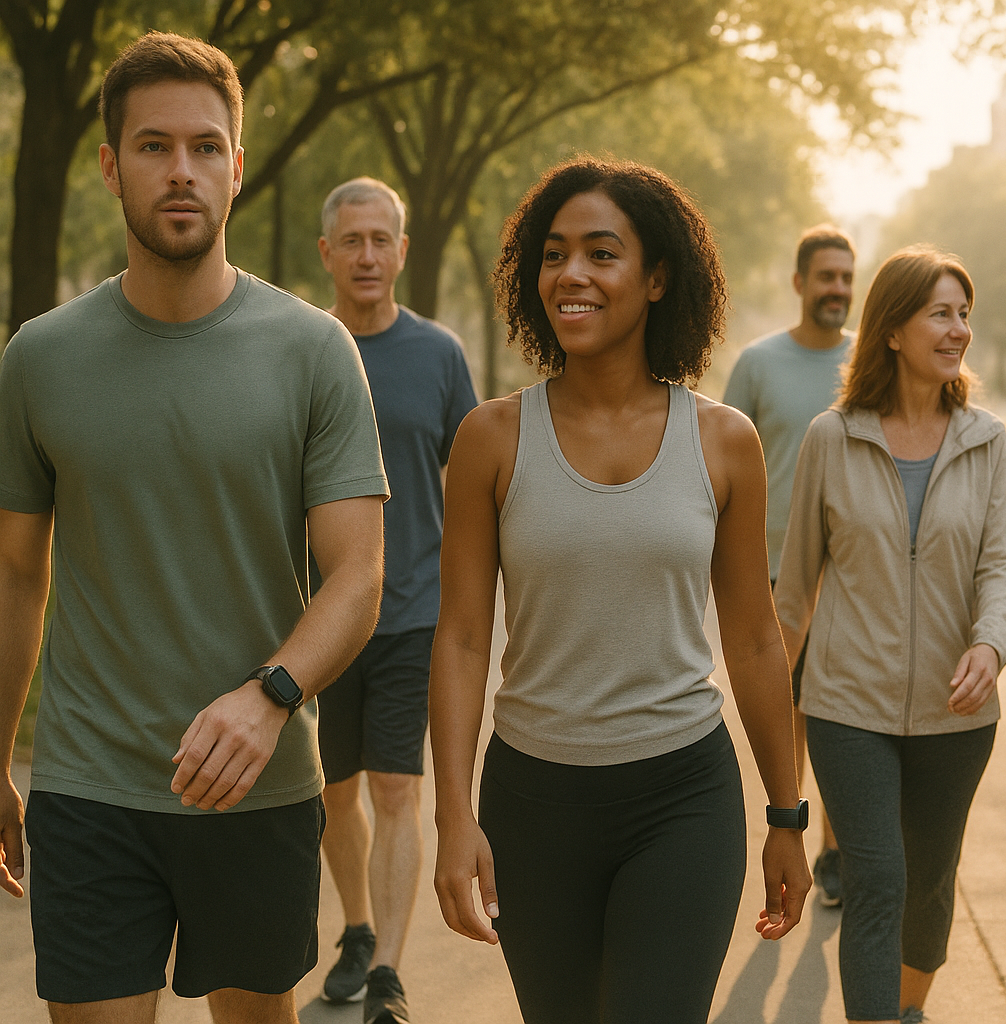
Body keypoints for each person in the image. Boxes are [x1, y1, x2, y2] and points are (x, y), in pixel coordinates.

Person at [0, 32, 388, 1024]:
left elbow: (357, 576)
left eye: (207, 147)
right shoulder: (38, 359)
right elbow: (15, 575)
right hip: (90, 789)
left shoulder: (314, 351)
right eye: (154, 145)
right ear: (108, 165)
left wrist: (270, 697)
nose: (183, 171)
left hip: (258, 790)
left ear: (238, 167)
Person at [428, 156, 810, 1024]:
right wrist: (454, 818)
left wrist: (786, 812)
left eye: (602, 253)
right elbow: (458, 639)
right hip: (533, 805)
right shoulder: (490, 439)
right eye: (555, 253)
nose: (573, 274)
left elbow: (754, 639)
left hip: (682, 799)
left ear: (658, 277)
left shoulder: (724, 442)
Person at [775, 246, 1006, 1024]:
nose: (960, 331)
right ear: (891, 329)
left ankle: (907, 1005)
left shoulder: (985, 441)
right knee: (877, 879)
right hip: (848, 704)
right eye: (941, 313)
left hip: (956, 713)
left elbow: (1004, 564)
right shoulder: (832, 437)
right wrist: (770, 713)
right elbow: (796, 587)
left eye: (964, 314)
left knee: (928, 884)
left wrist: (990, 645)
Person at [312, 177, 478, 1022]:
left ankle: (389, 977)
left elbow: (477, 481)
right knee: (334, 792)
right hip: (321, 617)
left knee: (394, 790)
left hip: (413, 611)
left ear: (402, 251)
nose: (368, 255)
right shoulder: (300, 348)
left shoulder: (440, 355)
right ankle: (357, 929)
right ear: (328, 253)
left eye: (383, 240)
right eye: (353, 241)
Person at [723, 223, 856, 906]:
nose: (837, 289)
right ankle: (794, 832)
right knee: (790, 710)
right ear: (800, 281)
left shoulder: (870, 361)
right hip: (774, 570)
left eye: (846, 277)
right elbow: (721, 464)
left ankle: (837, 849)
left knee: (839, 713)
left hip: (857, 576)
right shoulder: (758, 363)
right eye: (825, 276)